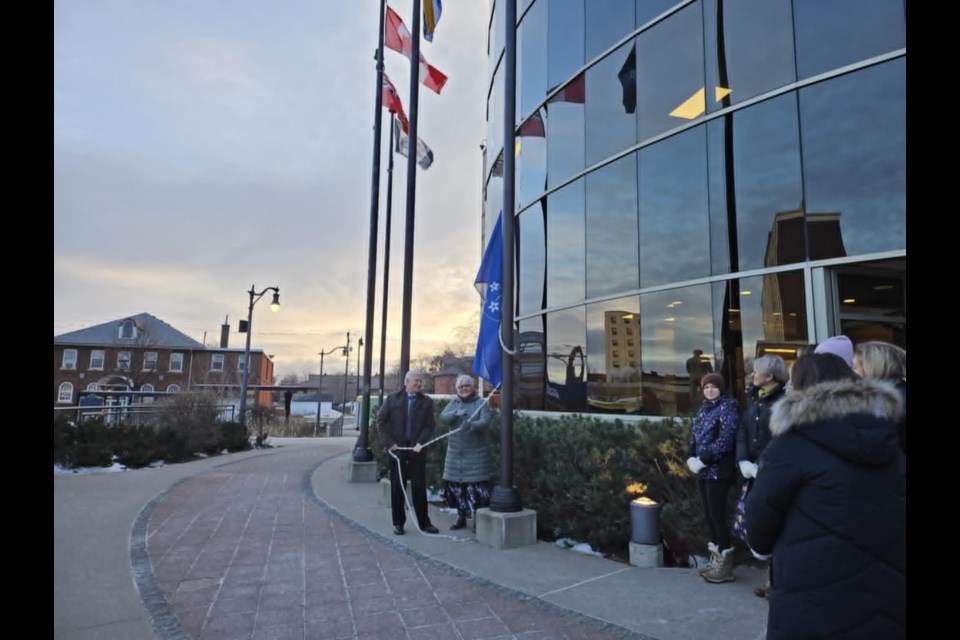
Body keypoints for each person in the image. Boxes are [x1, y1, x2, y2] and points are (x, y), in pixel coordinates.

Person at [744, 353, 905, 639]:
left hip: (812, 594)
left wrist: (760, 547)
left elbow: (759, 520)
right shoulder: (887, 437)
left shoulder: (791, 445)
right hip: (885, 593)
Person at [735, 353, 789, 597]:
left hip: (770, 471)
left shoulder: (783, 401)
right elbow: (744, 430)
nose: (752, 375)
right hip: (753, 470)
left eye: (757, 372)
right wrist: (743, 459)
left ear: (769, 376)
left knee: (778, 522)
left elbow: (780, 438)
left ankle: (776, 579)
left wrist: (762, 464)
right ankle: (772, 577)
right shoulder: (754, 398)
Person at [685, 372, 740, 583]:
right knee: (708, 515)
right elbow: (694, 438)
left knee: (718, 516)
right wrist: (690, 456)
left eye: (713, 387)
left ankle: (725, 565)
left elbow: (726, 440)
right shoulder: (702, 410)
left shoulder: (728, 407)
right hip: (702, 471)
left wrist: (704, 459)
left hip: (718, 471)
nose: (709, 390)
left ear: (721, 388)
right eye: (706, 387)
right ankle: (715, 557)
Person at [376, 370, 439, 535]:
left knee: (419, 488)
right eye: (415, 381)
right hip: (397, 453)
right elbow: (381, 421)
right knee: (397, 488)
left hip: (417, 452)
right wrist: (389, 443)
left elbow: (429, 426)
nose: (419, 384)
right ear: (406, 382)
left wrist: (421, 442)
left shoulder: (427, 402)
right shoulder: (392, 399)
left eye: (420, 381)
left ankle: (424, 524)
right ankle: (398, 523)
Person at [440, 375, 493, 531]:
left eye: (467, 386)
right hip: (455, 456)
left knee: (475, 490)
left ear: (473, 387)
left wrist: (471, 425)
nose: (464, 389)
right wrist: (454, 414)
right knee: (457, 488)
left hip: (475, 456)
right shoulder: (454, 403)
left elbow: (485, 421)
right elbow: (443, 417)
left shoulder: (480, 403)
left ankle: (478, 519)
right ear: (457, 389)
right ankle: (461, 517)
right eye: (461, 386)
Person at [853, 340, 906, 453]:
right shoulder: (896, 393)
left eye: (854, 367)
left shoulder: (886, 400)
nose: (851, 372)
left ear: (871, 367)